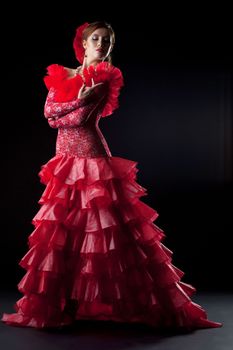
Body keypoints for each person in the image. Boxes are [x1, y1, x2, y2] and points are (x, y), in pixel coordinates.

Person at [1, 21, 222, 331]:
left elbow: (76, 120)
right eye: (96, 39)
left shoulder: (104, 77)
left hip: (91, 156)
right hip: (64, 159)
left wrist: (77, 103)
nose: (101, 45)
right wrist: (80, 98)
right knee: (65, 231)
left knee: (104, 232)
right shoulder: (64, 74)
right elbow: (50, 116)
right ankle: (68, 304)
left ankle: (141, 302)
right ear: (83, 43)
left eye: (108, 41)